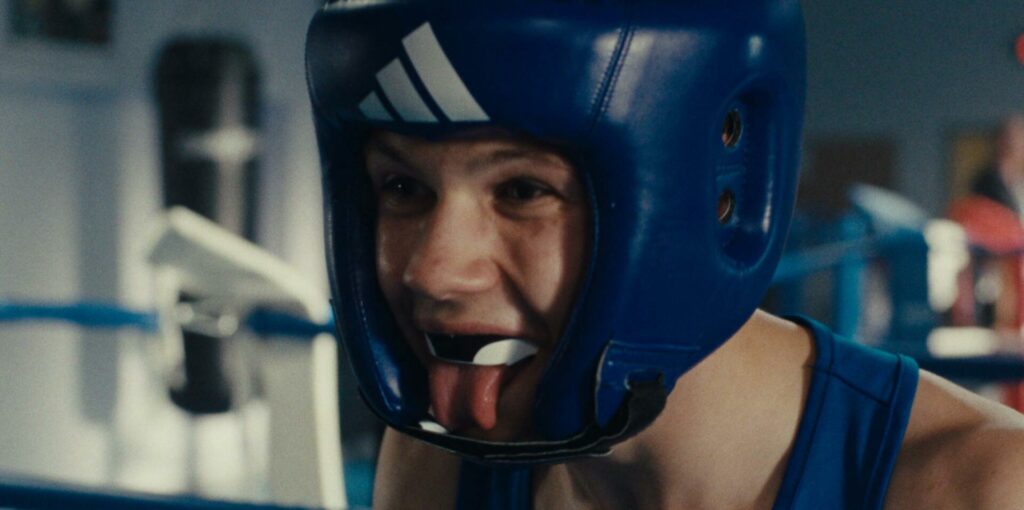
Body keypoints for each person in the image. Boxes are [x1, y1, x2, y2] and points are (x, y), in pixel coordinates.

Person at [305, 1, 1024, 508]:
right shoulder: (436, 458)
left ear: (723, 195)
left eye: (524, 190)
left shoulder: (979, 487)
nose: (432, 271)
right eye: (402, 187)